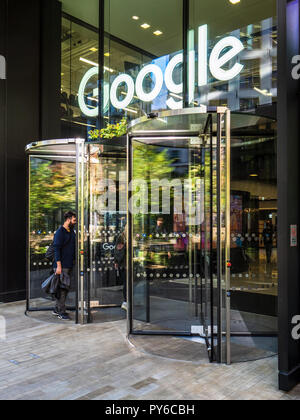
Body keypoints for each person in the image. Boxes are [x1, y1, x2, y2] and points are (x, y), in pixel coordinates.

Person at [53, 211, 76, 320]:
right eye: (74, 220)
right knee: (63, 289)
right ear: (68, 219)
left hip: (68, 265)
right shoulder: (60, 232)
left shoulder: (71, 231)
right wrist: (58, 266)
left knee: (63, 288)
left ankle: (57, 309)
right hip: (62, 266)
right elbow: (56, 249)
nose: (75, 222)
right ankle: (61, 312)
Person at [114, 226, 127, 311]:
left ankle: (127, 301)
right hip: (124, 266)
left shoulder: (126, 237)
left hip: (126, 265)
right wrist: (117, 262)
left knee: (127, 284)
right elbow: (118, 251)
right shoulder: (121, 237)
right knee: (126, 284)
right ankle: (125, 302)